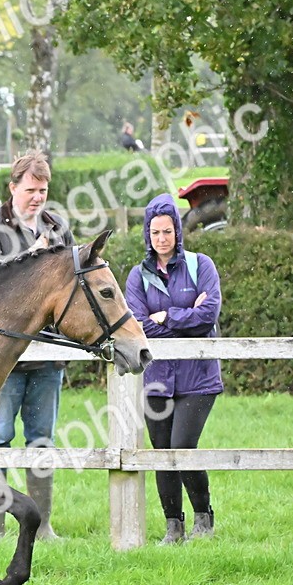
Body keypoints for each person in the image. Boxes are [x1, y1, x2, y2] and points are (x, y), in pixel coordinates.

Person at [0, 151, 72, 540]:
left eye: (43, 190)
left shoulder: (57, 226)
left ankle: (42, 526)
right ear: (12, 187)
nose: (37, 197)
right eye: (30, 189)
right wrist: (32, 258)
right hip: (2, 356)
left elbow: (68, 287)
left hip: (48, 354)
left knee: (42, 439)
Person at [124, 193, 223, 544]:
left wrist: (166, 316)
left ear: (178, 232)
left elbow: (209, 315)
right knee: (162, 450)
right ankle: (173, 525)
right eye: (155, 233)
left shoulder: (201, 266)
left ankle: (203, 516)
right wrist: (185, 317)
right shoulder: (138, 276)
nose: (162, 239)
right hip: (157, 378)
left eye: (168, 232)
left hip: (198, 377)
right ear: (147, 235)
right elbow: (137, 325)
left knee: (183, 445)